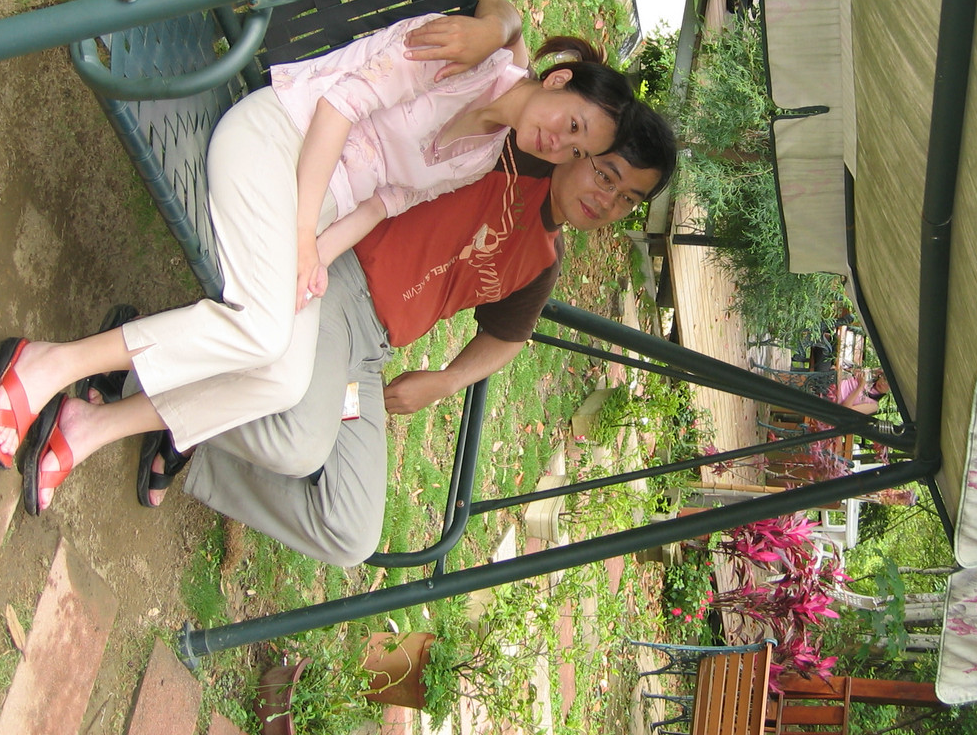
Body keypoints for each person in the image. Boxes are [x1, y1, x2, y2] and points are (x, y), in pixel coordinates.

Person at [0, 0, 635, 514]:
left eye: (577, 150)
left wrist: (316, 255)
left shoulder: (483, 156)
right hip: (277, 139)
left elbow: (386, 200)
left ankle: (88, 426)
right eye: (572, 123)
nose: (559, 144)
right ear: (558, 80)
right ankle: (49, 363)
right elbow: (338, 106)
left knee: (282, 380)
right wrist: (299, 233)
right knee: (262, 332)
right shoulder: (463, 54)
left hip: (313, 210)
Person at [156, 105, 678, 565]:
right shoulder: (510, 150)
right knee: (299, 444)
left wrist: (447, 381)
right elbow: (499, 60)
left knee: (351, 532)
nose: (608, 201)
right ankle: (151, 381)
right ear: (582, 147)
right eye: (606, 175)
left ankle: (199, 448)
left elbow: (509, 337)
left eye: (627, 199)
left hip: (366, 356)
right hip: (338, 282)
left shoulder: (544, 260)